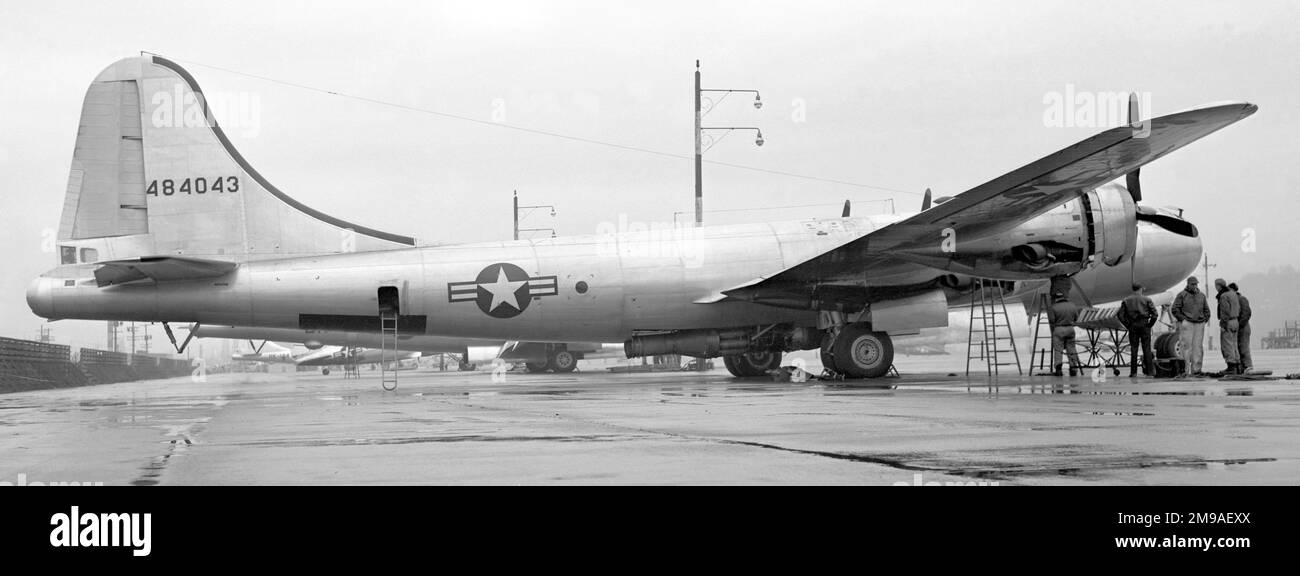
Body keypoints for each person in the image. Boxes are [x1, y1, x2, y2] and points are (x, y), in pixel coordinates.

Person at [1171, 276, 1210, 376]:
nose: (1194, 286)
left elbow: (1207, 310)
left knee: (1198, 347)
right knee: (1186, 346)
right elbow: (1175, 309)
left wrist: (1204, 320)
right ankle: (1186, 369)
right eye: (1192, 284)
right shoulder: (1181, 295)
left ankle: (1196, 370)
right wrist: (1183, 320)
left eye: (1196, 284)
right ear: (1188, 284)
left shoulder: (1202, 296)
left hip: (1199, 324)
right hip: (1187, 323)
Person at [1118, 283, 1157, 378]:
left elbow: (1120, 315)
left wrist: (1128, 325)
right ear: (1140, 289)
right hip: (1144, 325)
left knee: (1134, 349)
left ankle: (1133, 372)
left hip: (1133, 325)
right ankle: (1150, 372)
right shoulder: (1147, 299)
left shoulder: (1126, 300)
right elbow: (1155, 314)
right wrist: (1149, 325)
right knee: (1146, 349)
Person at [1046, 291, 1083, 376]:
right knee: (1071, 349)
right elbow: (1076, 318)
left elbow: (1052, 321)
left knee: (1058, 350)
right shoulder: (1072, 305)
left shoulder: (1053, 307)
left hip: (1059, 329)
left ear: (1056, 298)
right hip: (1070, 329)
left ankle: (1059, 369)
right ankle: (1073, 368)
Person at [1214, 278, 1241, 375]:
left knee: (1227, 344)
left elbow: (1225, 311)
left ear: (1218, 286)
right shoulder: (1234, 294)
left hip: (1228, 322)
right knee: (1234, 344)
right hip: (1236, 321)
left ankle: (1231, 367)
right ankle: (1238, 366)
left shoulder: (1224, 296)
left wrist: (1223, 324)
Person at [1230, 282, 1253, 373]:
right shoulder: (1236, 299)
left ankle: (1248, 366)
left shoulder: (1241, 299)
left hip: (1243, 327)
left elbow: (1246, 313)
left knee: (1243, 347)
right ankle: (1243, 367)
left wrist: (1239, 324)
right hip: (1239, 326)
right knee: (1239, 347)